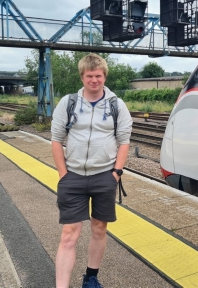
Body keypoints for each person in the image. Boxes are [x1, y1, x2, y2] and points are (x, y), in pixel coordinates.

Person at [51, 53, 132, 288]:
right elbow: (56, 139)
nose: (94, 80)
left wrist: (116, 173)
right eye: (89, 76)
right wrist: (63, 174)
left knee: (99, 228)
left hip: (104, 175)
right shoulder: (68, 103)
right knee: (69, 233)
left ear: (104, 76)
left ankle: (91, 277)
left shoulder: (117, 105)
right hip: (73, 176)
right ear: (82, 77)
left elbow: (123, 140)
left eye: (98, 76)